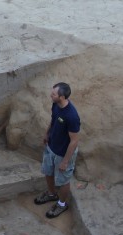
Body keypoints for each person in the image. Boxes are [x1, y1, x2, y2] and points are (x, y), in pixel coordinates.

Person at [34, 82, 80, 218]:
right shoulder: (56, 104)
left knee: (63, 181)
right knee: (48, 172)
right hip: (51, 147)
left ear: (62, 97)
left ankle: (62, 204)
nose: (51, 95)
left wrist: (65, 161)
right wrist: (47, 134)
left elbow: (74, 141)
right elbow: (53, 120)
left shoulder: (72, 116)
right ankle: (51, 194)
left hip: (63, 153)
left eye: (54, 94)